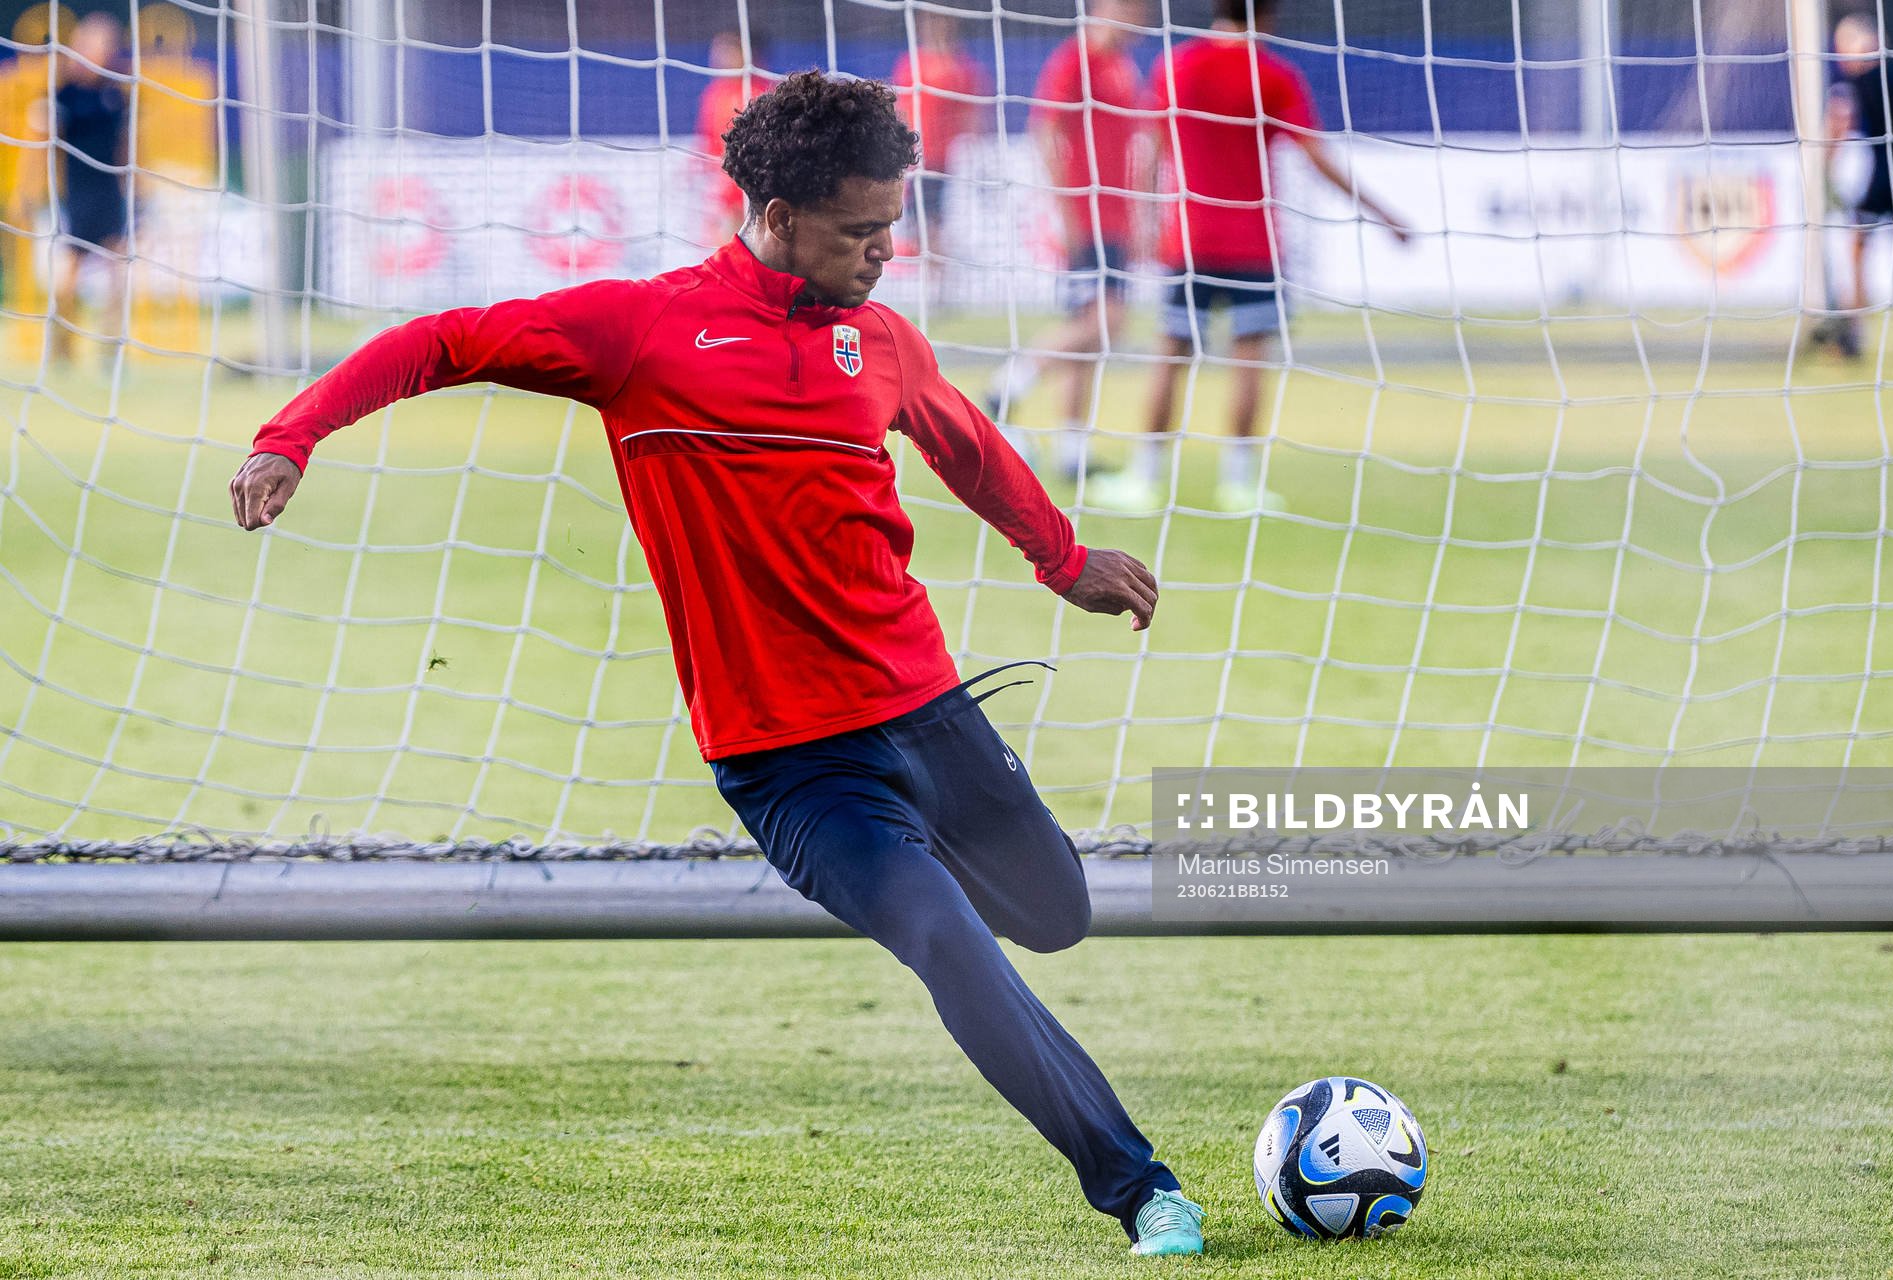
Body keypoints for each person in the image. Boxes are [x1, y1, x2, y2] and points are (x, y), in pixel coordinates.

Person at [228, 72, 1205, 1257]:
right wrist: (291, 438)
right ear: (778, 213)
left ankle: (936, 859)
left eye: (893, 228)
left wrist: (1062, 559)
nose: (886, 252)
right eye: (860, 232)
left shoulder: (880, 340)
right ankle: (1141, 1184)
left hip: (931, 713)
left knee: (1057, 915)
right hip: (792, 763)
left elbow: (969, 445)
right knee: (947, 938)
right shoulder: (640, 332)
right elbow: (444, 340)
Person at [1093, 0, 1408, 513]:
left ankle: (1143, 480)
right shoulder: (1273, 74)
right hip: (1253, 244)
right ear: (1267, 17)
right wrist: (1383, 214)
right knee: (1248, 361)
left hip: (1189, 241)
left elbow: (1149, 151)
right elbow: (1315, 155)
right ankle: (1238, 485)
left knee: (1170, 358)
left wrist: (1145, 225)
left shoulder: (1176, 66)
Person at [989, 0, 1149, 483]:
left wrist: (1140, 216)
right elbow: (1045, 132)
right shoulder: (1076, 59)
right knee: (1108, 323)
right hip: (1087, 217)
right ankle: (1009, 381)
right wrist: (1066, 210)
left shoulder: (1123, 66)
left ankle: (1072, 455)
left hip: (1116, 220)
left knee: (1090, 338)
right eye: (1132, 8)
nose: (1139, 18)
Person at [1819, 14, 1893, 360]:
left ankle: (1853, 333)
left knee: (1859, 244)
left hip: (1890, 173)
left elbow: (1839, 122)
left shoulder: (1858, 82)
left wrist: (1823, 170)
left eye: (1846, 46)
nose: (1842, 55)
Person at [48, 13, 131, 364]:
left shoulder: (117, 94)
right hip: (78, 193)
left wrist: (132, 189)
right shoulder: (63, 94)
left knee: (121, 268)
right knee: (69, 274)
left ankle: (109, 348)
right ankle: (60, 346)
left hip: (110, 191)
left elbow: (124, 146)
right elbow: (47, 147)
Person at [891, 10, 986, 262]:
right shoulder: (911, 63)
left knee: (933, 219)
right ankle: (931, 272)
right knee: (915, 220)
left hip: (943, 159)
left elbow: (972, 113)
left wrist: (974, 148)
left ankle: (936, 275)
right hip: (912, 158)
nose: (936, 29)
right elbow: (900, 107)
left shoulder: (961, 67)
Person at [692, 27, 775, 250]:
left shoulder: (762, 94)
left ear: (747, 53)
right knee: (726, 249)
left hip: (757, 188)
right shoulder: (714, 94)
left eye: (727, 48)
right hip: (726, 188)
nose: (717, 55)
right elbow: (709, 143)